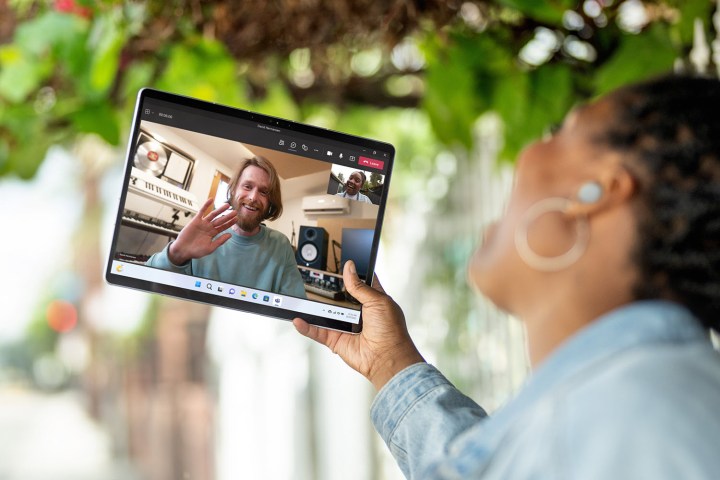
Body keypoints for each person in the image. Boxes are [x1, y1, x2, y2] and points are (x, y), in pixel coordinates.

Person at [293, 74, 720, 478]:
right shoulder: (629, 409)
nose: (527, 151)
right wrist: (390, 364)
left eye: (560, 133)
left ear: (599, 191)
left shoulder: (641, 421)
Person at [147, 156, 306, 298]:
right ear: (234, 189)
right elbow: (148, 281)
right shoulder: (204, 237)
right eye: (247, 186)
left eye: (264, 192)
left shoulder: (281, 245)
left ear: (271, 201)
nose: (253, 197)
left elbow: (297, 307)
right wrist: (175, 254)